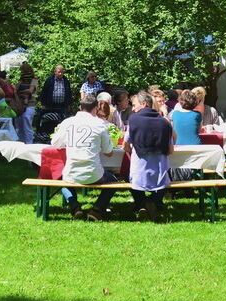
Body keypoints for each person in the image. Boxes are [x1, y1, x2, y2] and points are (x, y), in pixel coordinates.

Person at [51, 93, 117, 221]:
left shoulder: (68, 122)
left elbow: (55, 143)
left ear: (80, 107)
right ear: (96, 108)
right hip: (94, 174)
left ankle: (74, 206)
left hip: (71, 172)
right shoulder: (100, 124)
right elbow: (108, 152)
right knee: (113, 180)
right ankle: (97, 209)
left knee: (62, 179)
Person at [126, 91, 174, 221]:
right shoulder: (165, 122)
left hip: (139, 172)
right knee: (165, 181)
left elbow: (126, 146)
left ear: (144, 104)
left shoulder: (133, 120)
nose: (133, 108)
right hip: (160, 173)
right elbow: (170, 150)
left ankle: (142, 204)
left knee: (127, 176)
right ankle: (152, 201)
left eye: (134, 105)